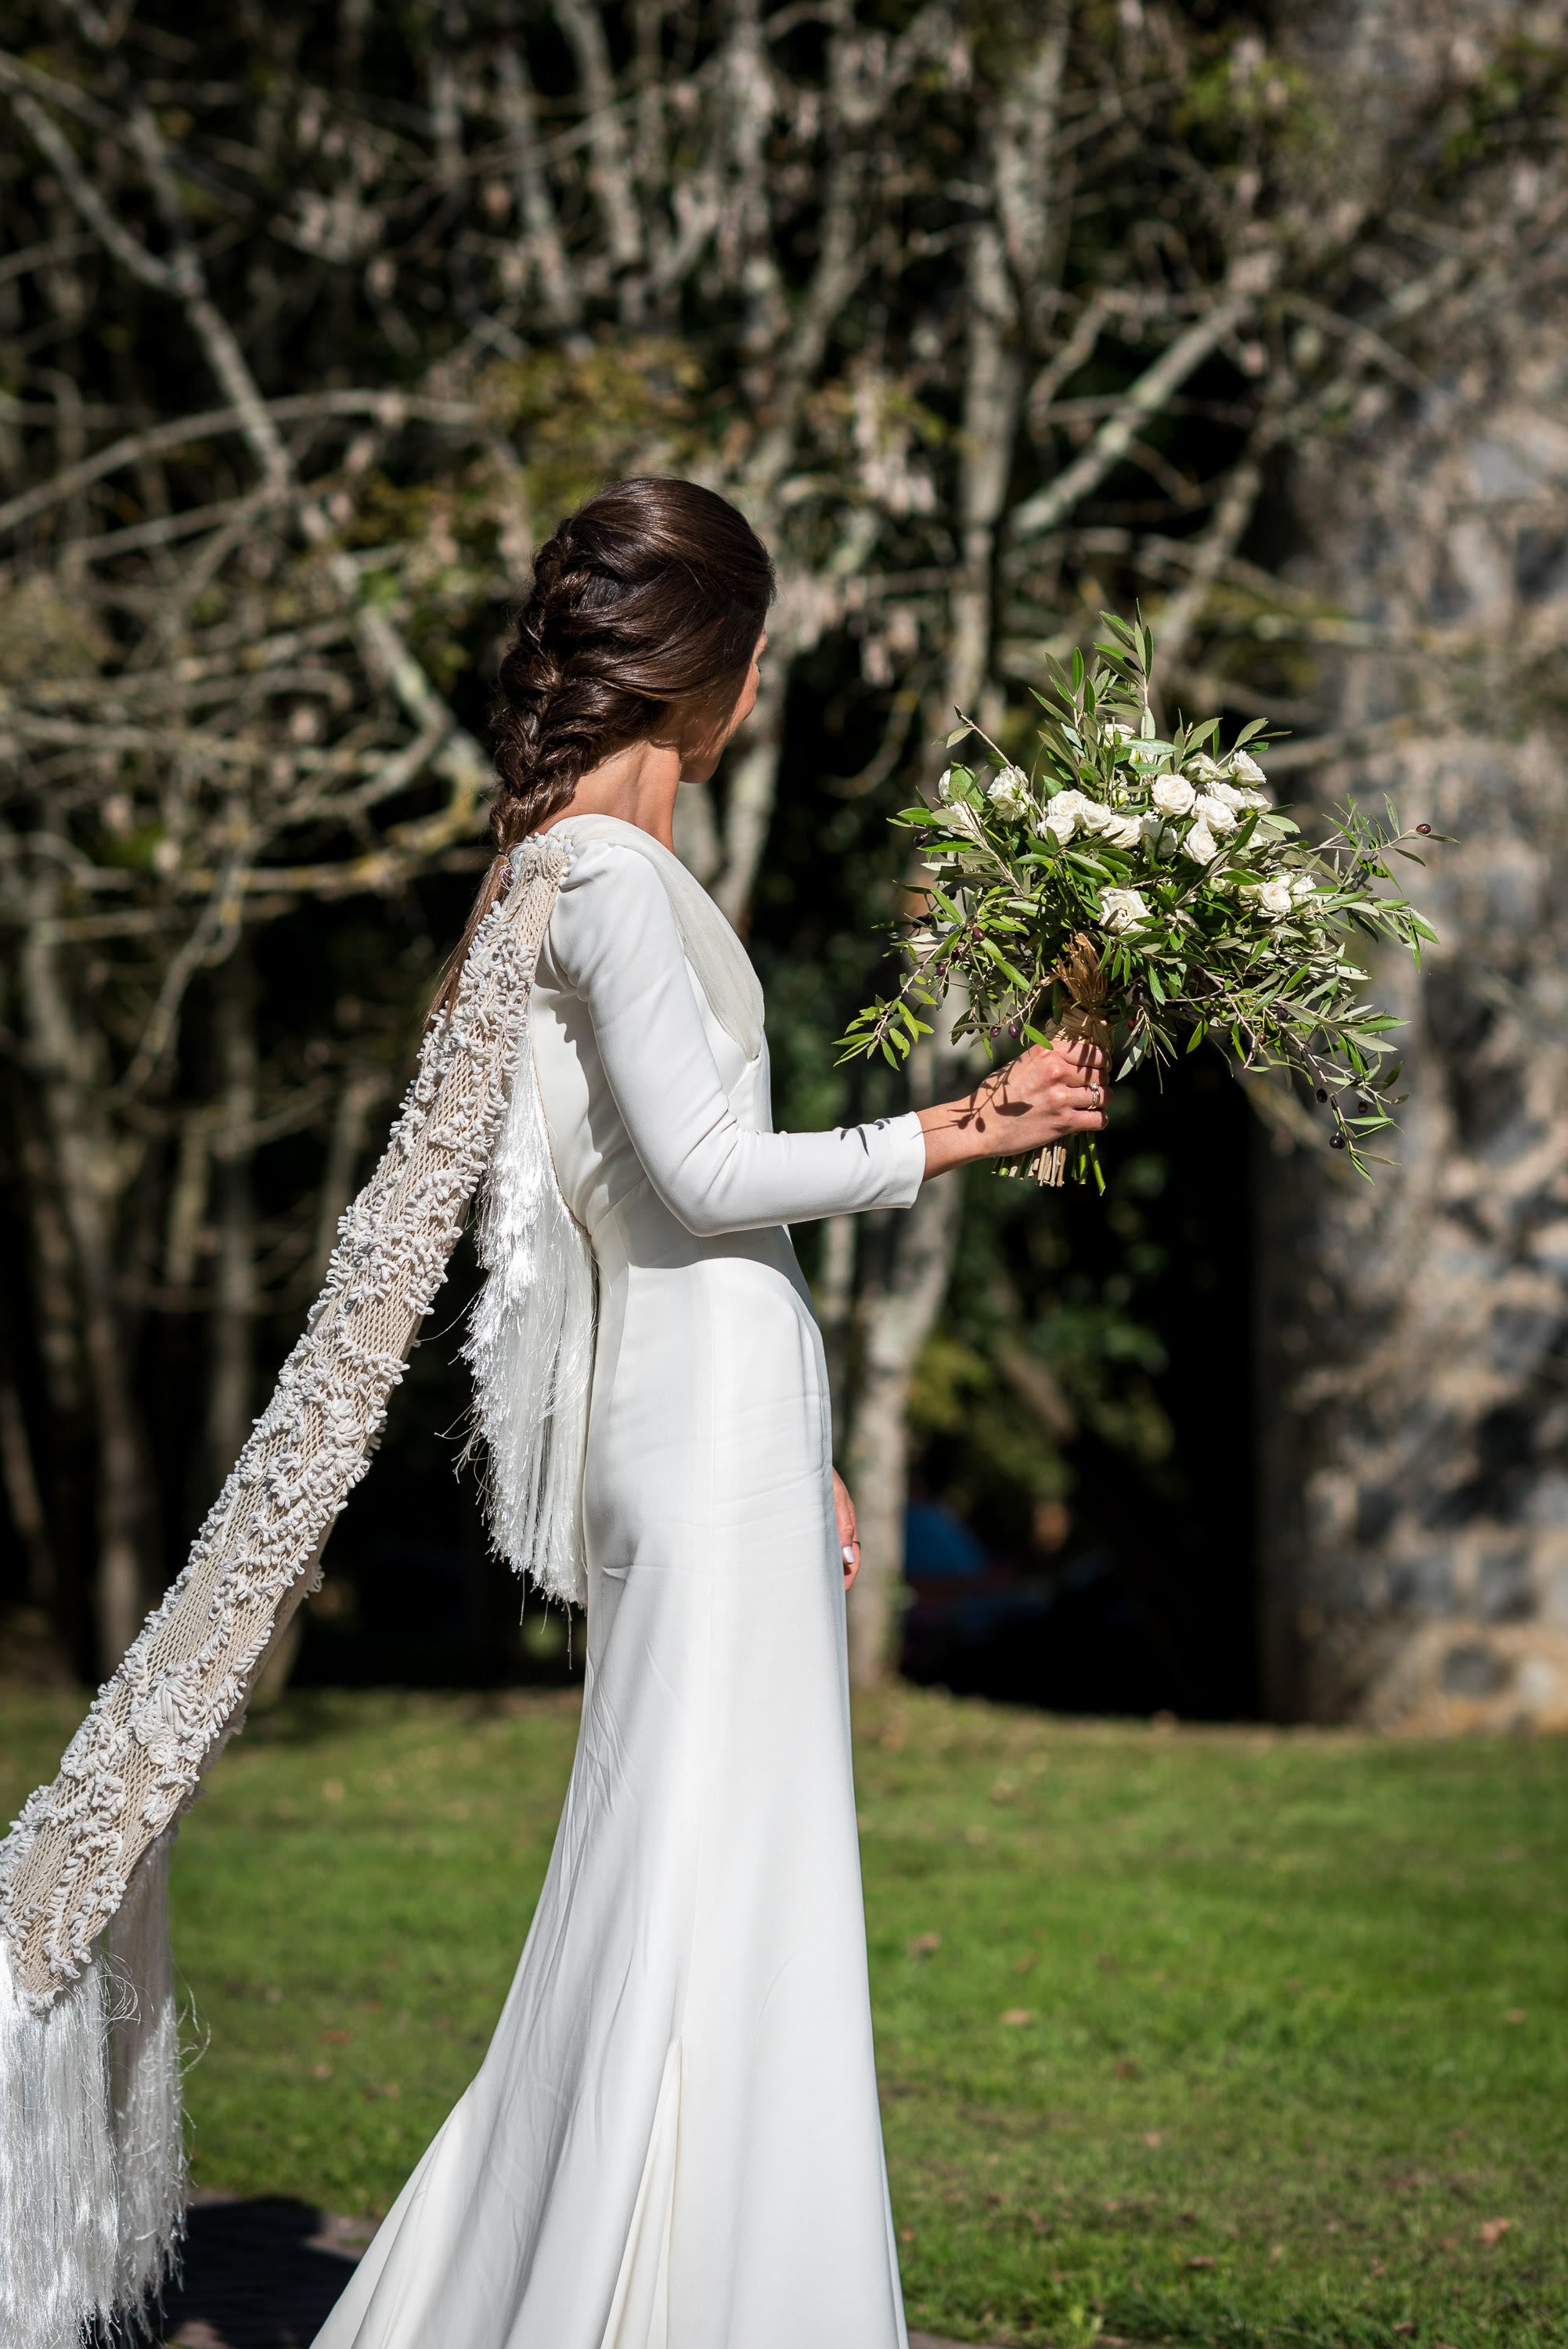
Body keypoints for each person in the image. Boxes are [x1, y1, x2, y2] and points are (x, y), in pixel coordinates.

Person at [311, 477, 1108, 2349]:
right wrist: (961, 1129)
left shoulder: (579, 874)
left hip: (722, 1429)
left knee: (713, 1873)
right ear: (720, 678)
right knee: (703, 1879)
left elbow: (656, 1215)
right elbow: (704, 1165)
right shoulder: (602, 878)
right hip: (695, 1447)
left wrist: (805, 1432)